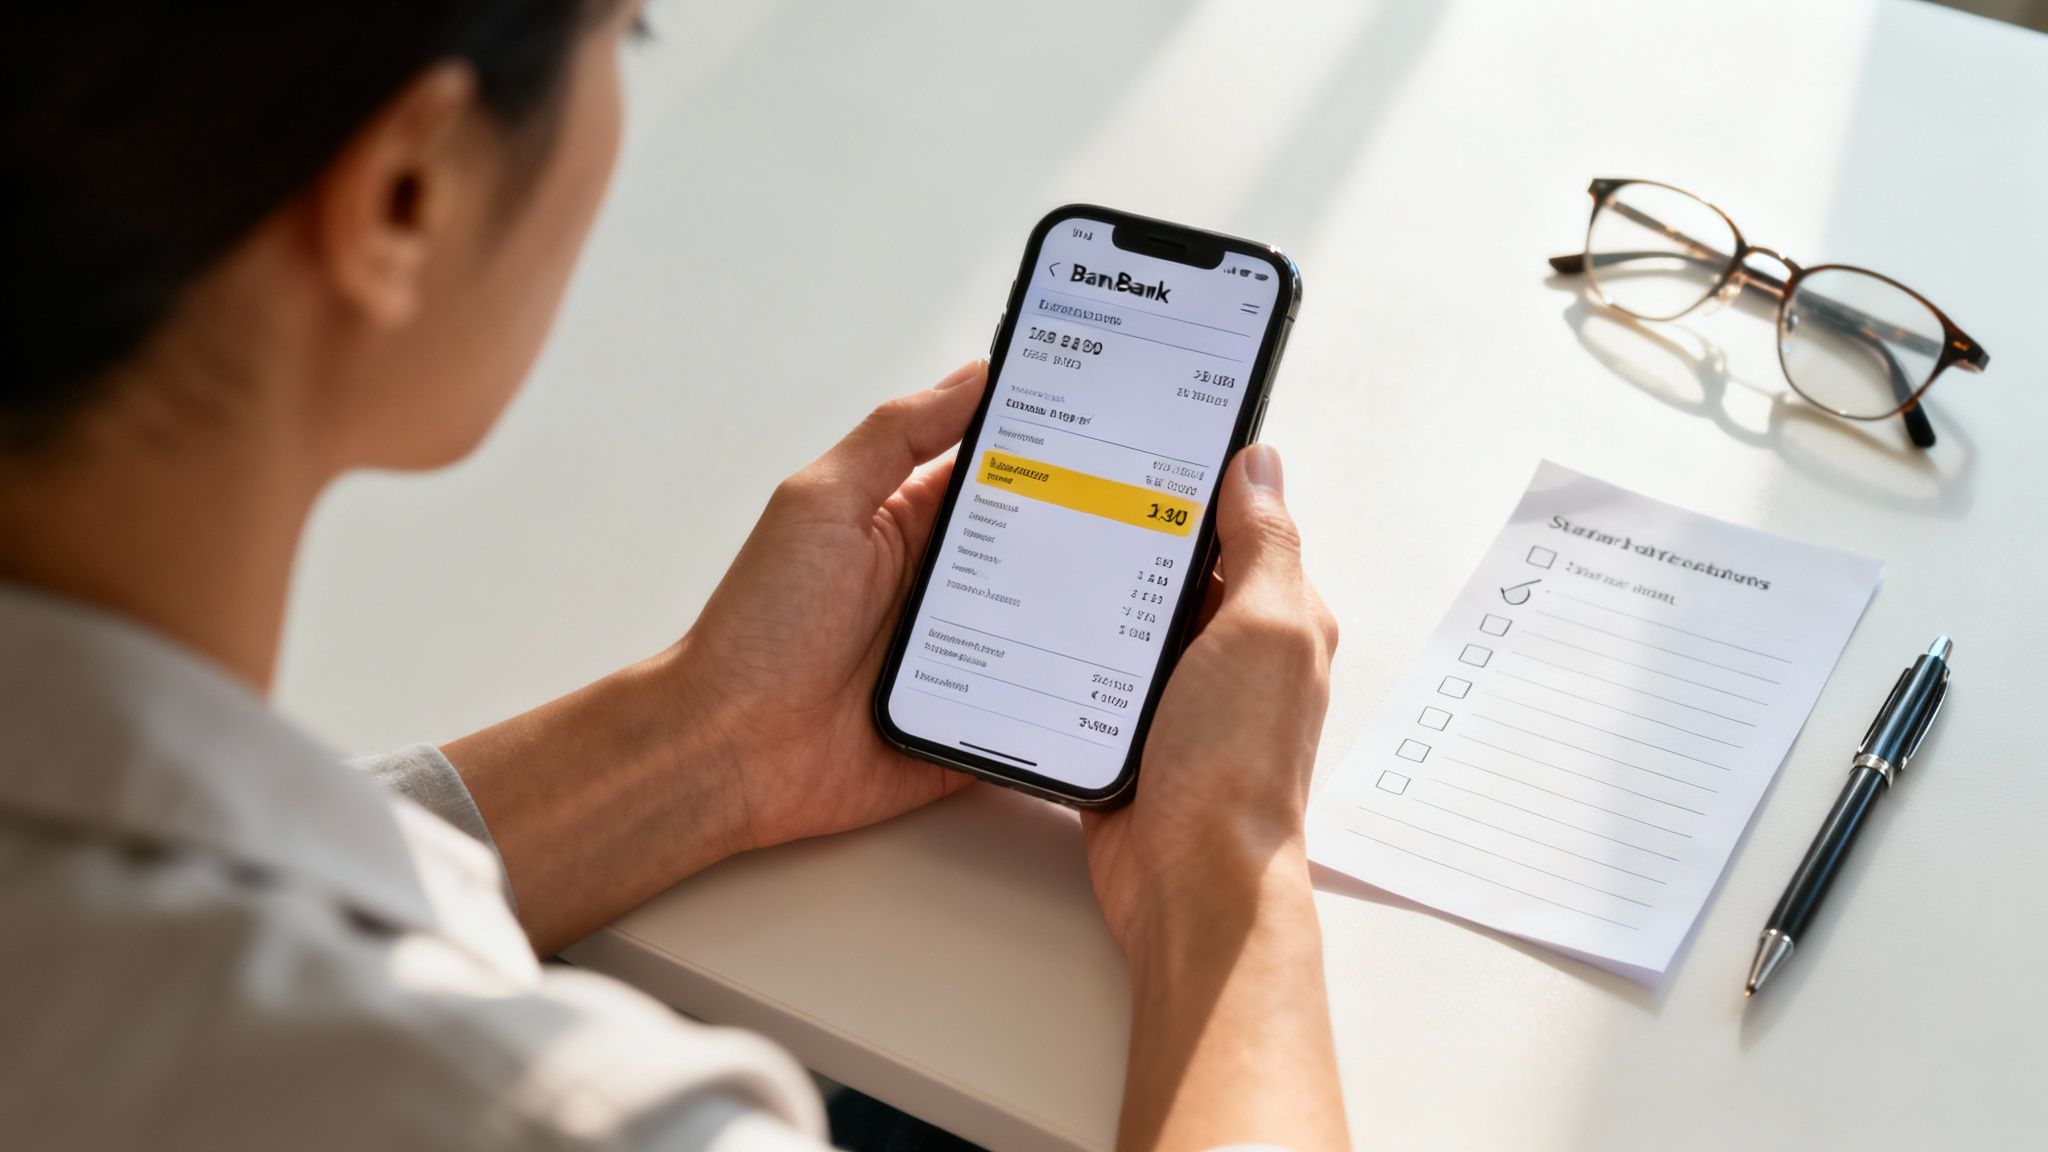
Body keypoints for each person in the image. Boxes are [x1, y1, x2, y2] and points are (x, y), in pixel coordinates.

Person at [0, 3, 1345, 1150]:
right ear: (405, 194)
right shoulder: (534, 1113)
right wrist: (1227, 864)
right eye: (625, 31)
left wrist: (708, 742)